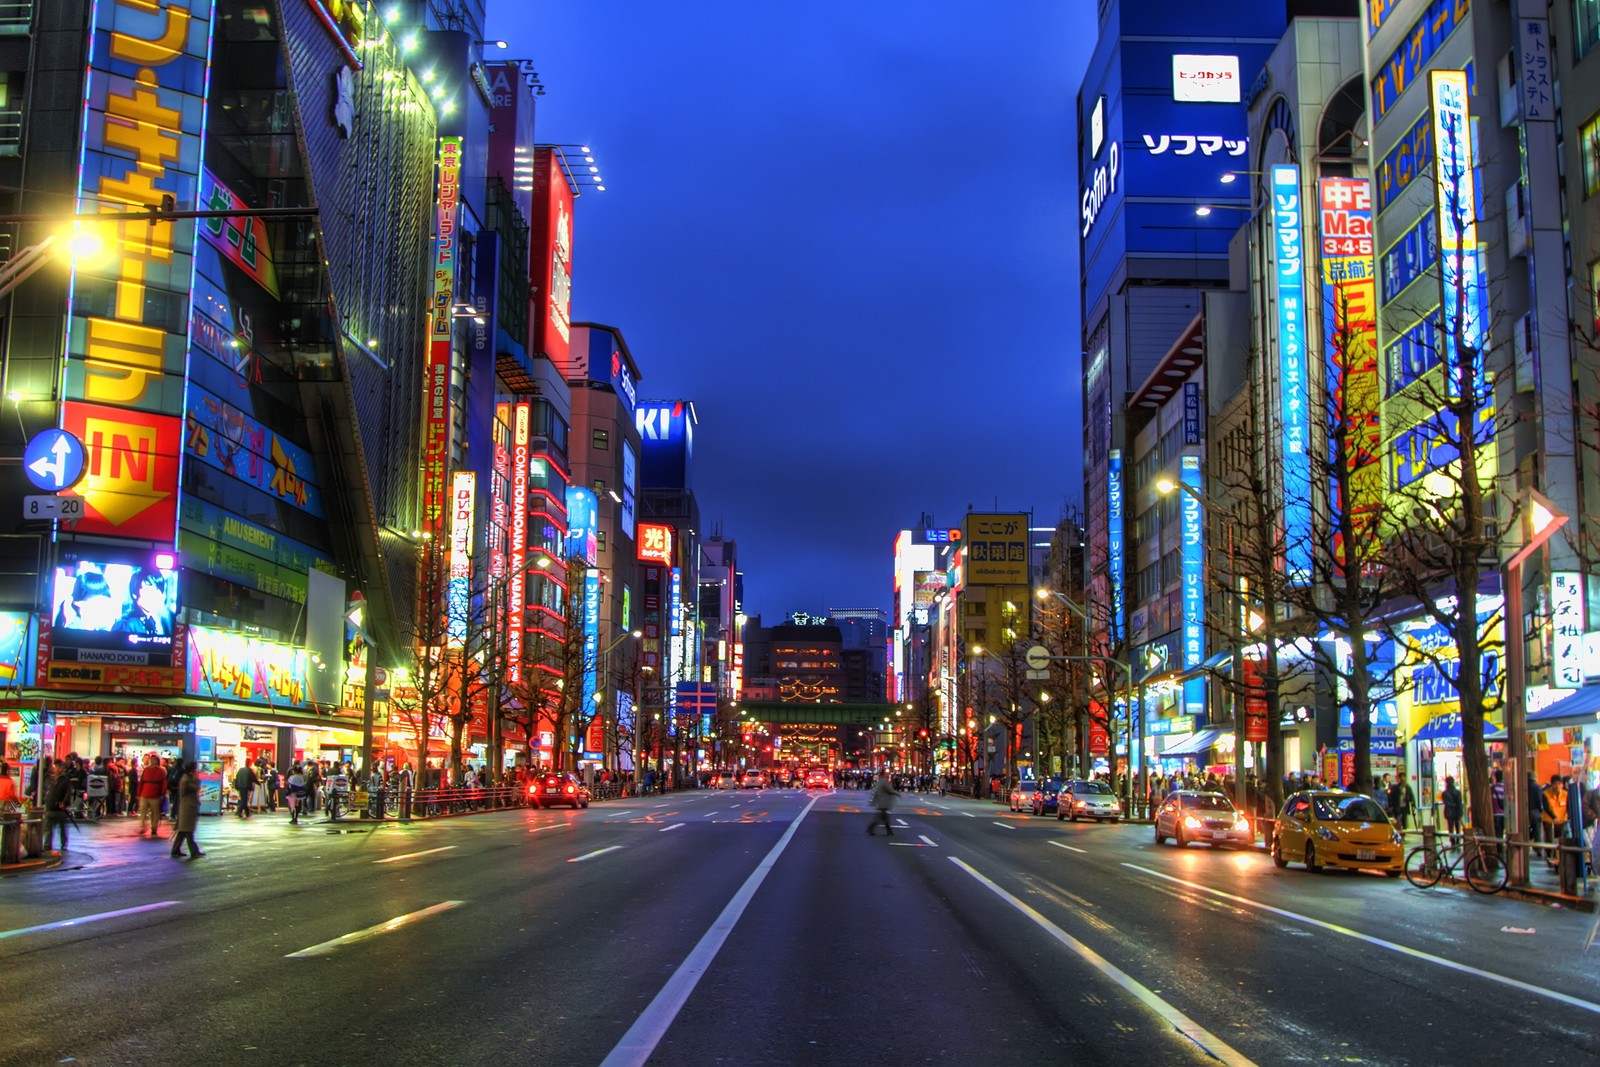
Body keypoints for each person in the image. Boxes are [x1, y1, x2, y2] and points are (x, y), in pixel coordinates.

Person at [112, 567, 171, 636]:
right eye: (149, 591)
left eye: (159, 590)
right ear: (134, 593)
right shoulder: (126, 625)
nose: (156, 595)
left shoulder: (149, 621)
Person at [169, 762, 202, 859]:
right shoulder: (186, 780)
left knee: (183, 830)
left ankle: (176, 850)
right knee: (187, 830)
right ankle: (194, 851)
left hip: (189, 806)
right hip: (187, 807)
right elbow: (195, 787)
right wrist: (197, 779)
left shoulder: (187, 779)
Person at [136, 753, 166, 837]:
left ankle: (154, 827)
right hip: (145, 793)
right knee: (143, 811)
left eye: (154, 759)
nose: (152, 761)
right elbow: (141, 781)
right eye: (151, 759)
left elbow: (164, 782)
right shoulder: (146, 770)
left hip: (155, 794)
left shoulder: (161, 770)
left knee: (155, 812)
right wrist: (139, 793)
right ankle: (142, 826)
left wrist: (162, 793)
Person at [866, 769, 900, 836]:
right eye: (886, 773)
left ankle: (888, 831)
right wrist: (897, 793)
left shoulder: (882, 781)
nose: (888, 774)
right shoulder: (884, 781)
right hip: (883, 801)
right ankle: (872, 828)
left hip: (882, 801)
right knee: (882, 817)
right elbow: (889, 790)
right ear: (884, 774)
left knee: (884, 817)